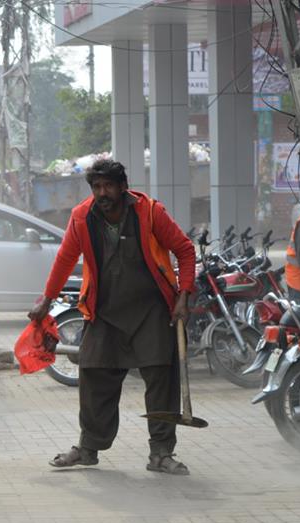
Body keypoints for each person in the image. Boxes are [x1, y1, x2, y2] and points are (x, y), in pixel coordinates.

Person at [29, 159, 196, 475]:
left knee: (161, 380)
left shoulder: (150, 213)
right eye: (96, 187)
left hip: (151, 310)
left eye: (108, 186)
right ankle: (88, 448)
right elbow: (65, 259)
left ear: (123, 186)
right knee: (93, 376)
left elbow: (185, 250)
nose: (102, 193)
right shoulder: (82, 217)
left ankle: (161, 453)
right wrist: (46, 300)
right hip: (105, 311)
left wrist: (183, 295)